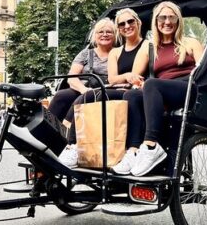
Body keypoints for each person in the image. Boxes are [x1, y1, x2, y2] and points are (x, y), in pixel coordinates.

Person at [113, 1, 203, 176]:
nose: (167, 22)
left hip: (186, 90)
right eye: (162, 17)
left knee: (153, 84)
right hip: (161, 93)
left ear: (178, 21)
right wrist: (136, 82)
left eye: (171, 17)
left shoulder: (191, 43)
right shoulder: (150, 48)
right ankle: (133, 150)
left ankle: (150, 145)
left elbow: (203, 72)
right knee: (131, 95)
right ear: (156, 21)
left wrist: (150, 84)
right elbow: (135, 77)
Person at [59, 10, 149, 167]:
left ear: (138, 23)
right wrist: (125, 77)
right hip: (106, 88)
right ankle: (53, 139)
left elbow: (134, 75)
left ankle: (71, 144)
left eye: (130, 22)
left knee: (91, 96)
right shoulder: (115, 51)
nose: (126, 26)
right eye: (122, 24)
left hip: (129, 90)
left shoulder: (146, 45)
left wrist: (127, 78)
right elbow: (113, 78)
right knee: (65, 96)